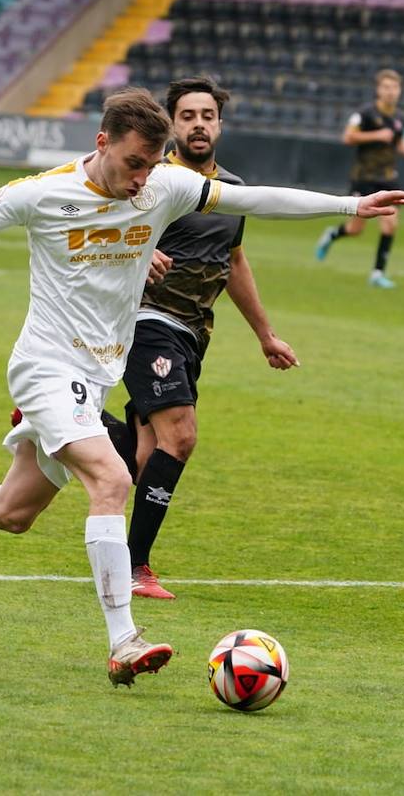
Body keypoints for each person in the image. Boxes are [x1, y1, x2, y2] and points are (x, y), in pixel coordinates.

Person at [0, 88, 404, 686]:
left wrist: (349, 206)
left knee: (12, 513)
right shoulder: (42, 193)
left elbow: (250, 199)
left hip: (96, 374)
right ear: (102, 143)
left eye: (154, 163)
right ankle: (124, 640)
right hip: (46, 367)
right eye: (134, 162)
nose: (143, 178)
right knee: (113, 479)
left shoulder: (164, 186)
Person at [92, 76, 300, 601]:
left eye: (207, 115)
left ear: (220, 124)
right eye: (188, 116)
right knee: (180, 438)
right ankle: (137, 568)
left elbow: (233, 262)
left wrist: (266, 335)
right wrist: (135, 247)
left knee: (143, 459)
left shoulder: (229, 190)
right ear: (171, 125)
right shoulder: (151, 179)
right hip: (146, 322)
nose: (199, 124)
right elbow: (99, 222)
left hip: (193, 336)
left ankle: (70, 419)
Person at [314, 69, 404, 289]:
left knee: (390, 224)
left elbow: (397, 142)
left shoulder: (400, 118)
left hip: (388, 177)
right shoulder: (365, 114)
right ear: (378, 90)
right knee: (356, 229)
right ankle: (333, 234)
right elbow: (348, 136)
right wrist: (376, 135)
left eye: (395, 87)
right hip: (364, 177)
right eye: (387, 87)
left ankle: (377, 273)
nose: (391, 92)